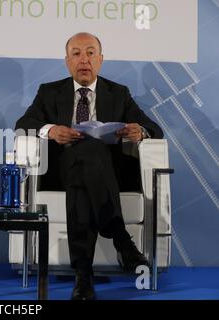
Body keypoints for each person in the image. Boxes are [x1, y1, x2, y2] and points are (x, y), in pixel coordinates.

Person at [15, 32, 163, 300]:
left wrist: (138, 130)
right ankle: (121, 239)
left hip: (106, 174)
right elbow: (24, 123)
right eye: (76, 53)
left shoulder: (118, 93)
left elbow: (154, 128)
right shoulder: (50, 92)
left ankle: (83, 276)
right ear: (67, 61)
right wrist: (52, 130)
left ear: (101, 59)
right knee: (83, 151)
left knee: (89, 155)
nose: (84, 59)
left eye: (91, 53)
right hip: (60, 171)